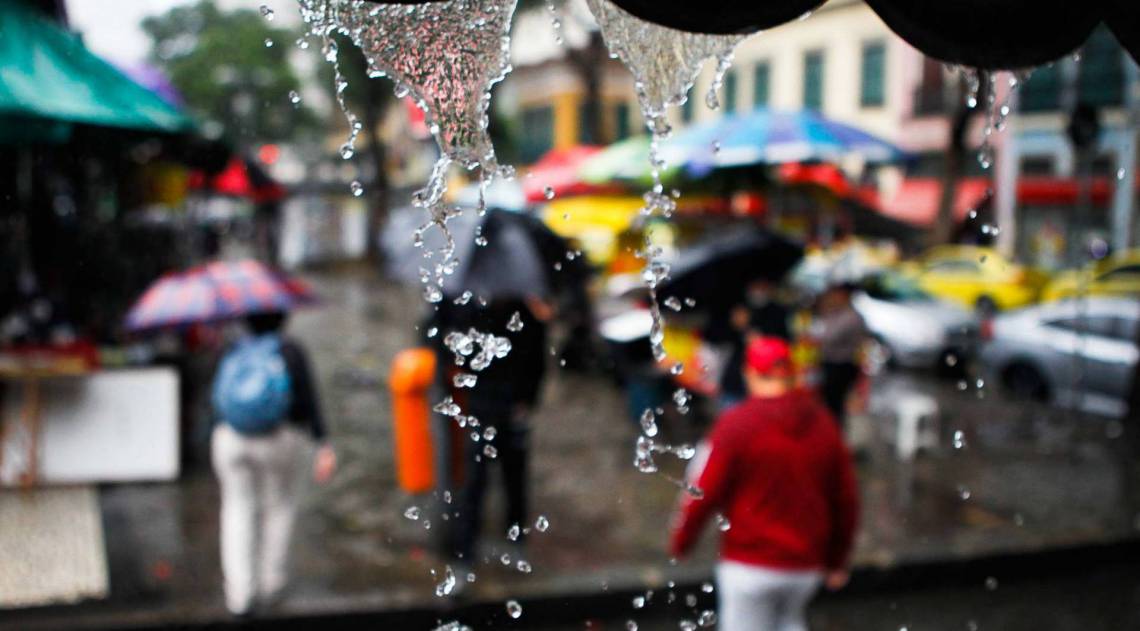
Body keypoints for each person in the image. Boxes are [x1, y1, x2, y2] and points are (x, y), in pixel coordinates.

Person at [669, 337, 860, 631]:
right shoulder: (824, 424)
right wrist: (837, 559)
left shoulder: (736, 425)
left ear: (750, 373)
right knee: (790, 622)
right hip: (805, 565)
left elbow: (702, 491)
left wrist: (683, 542)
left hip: (749, 565)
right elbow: (845, 498)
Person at [210, 311, 336, 616]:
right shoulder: (289, 350)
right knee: (278, 507)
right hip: (278, 439)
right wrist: (323, 442)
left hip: (231, 438)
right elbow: (308, 401)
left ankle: (239, 594)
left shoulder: (232, 348)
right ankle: (271, 584)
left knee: (237, 508)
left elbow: (215, 398)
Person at [450, 296, 550, 575]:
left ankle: (515, 539)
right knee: (474, 482)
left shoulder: (525, 311)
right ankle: (465, 553)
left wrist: (527, 401)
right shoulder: (467, 309)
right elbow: (454, 352)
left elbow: (537, 359)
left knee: (515, 477)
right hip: (481, 405)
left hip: (512, 406)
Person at [716, 279, 791, 410]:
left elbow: (785, 341)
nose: (759, 290)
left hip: (767, 378)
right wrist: (736, 326)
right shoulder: (740, 309)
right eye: (756, 285)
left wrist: (762, 342)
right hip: (736, 382)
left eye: (763, 286)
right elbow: (720, 337)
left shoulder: (778, 312)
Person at [813, 284, 868, 427]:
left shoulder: (852, 317)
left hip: (842, 365)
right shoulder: (834, 313)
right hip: (831, 363)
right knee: (829, 403)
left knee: (835, 404)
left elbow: (828, 337)